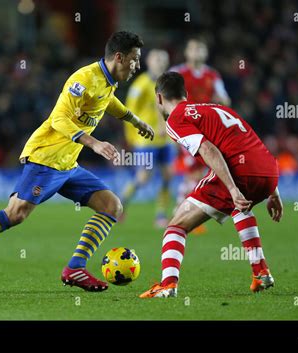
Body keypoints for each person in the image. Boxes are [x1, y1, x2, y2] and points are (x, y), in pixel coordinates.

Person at [0, 31, 154, 294]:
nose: (137, 65)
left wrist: (134, 120)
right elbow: (59, 119)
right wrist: (94, 143)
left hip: (68, 163)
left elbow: (107, 102)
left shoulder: (107, 82)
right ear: (119, 57)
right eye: (134, 59)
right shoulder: (83, 79)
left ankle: (75, 268)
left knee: (112, 206)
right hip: (46, 157)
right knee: (15, 214)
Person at [139, 72, 283, 298]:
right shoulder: (215, 108)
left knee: (176, 225)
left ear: (159, 99)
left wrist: (233, 188)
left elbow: (207, 149)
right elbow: (252, 143)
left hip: (240, 171)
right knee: (240, 206)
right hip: (269, 169)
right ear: (186, 95)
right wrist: (273, 191)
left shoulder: (175, 119)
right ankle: (261, 272)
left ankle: (168, 285)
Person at [170, 37, 232, 234]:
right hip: (184, 126)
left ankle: (180, 210)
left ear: (205, 53)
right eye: (193, 48)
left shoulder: (212, 75)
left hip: (206, 128)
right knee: (194, 169)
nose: (197, 52)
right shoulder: (178, 72)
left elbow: (224, 98)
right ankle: (180, 212)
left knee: (197, 170)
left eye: (200, 48)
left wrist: (222, 100)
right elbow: (163, 97)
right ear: (187, 52)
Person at [121, 49, 174, 228]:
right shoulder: (140, 84)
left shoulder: (169, 84)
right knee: (144, 178)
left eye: (163, 59)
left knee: (168, 176)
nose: (160, 62)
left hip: (166, 139)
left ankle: (160, 215)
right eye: (156, 59)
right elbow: (128, 111)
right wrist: (131, 137)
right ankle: (121, 203)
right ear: (149, 62)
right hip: (145, 140)